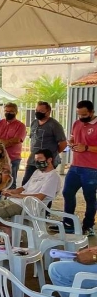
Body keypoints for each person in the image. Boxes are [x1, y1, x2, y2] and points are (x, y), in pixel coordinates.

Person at [63, 100, 97, 235]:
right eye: (79, 114)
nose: (81, 117)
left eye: (84, 114)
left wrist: (87, 147)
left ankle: (88, 225)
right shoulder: (76, 123)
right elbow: (72, 138)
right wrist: (70, 143)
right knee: (67, 193)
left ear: (92, 112)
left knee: (89, 197)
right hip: (75, 165)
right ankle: (68, 223)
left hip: (92, 169)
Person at [22, 101, 67, 185]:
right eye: (37, 110)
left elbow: (63, 143)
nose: (38, 113)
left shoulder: (54, 125)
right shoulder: (34, 123)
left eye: (41, 111)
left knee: (44, 185)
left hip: (47, 161)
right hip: (33, 159)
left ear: (48, 112)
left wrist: (51, 154)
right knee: (26, 183)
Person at [0, 102, 26, 189]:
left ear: (16, 112)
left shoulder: (20, 126)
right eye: (6, 111)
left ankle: (9, 202)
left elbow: (17, 140)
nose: (8, 113)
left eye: (11, 111)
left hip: (12, 158)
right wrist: (3, 141)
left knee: (10, 183)